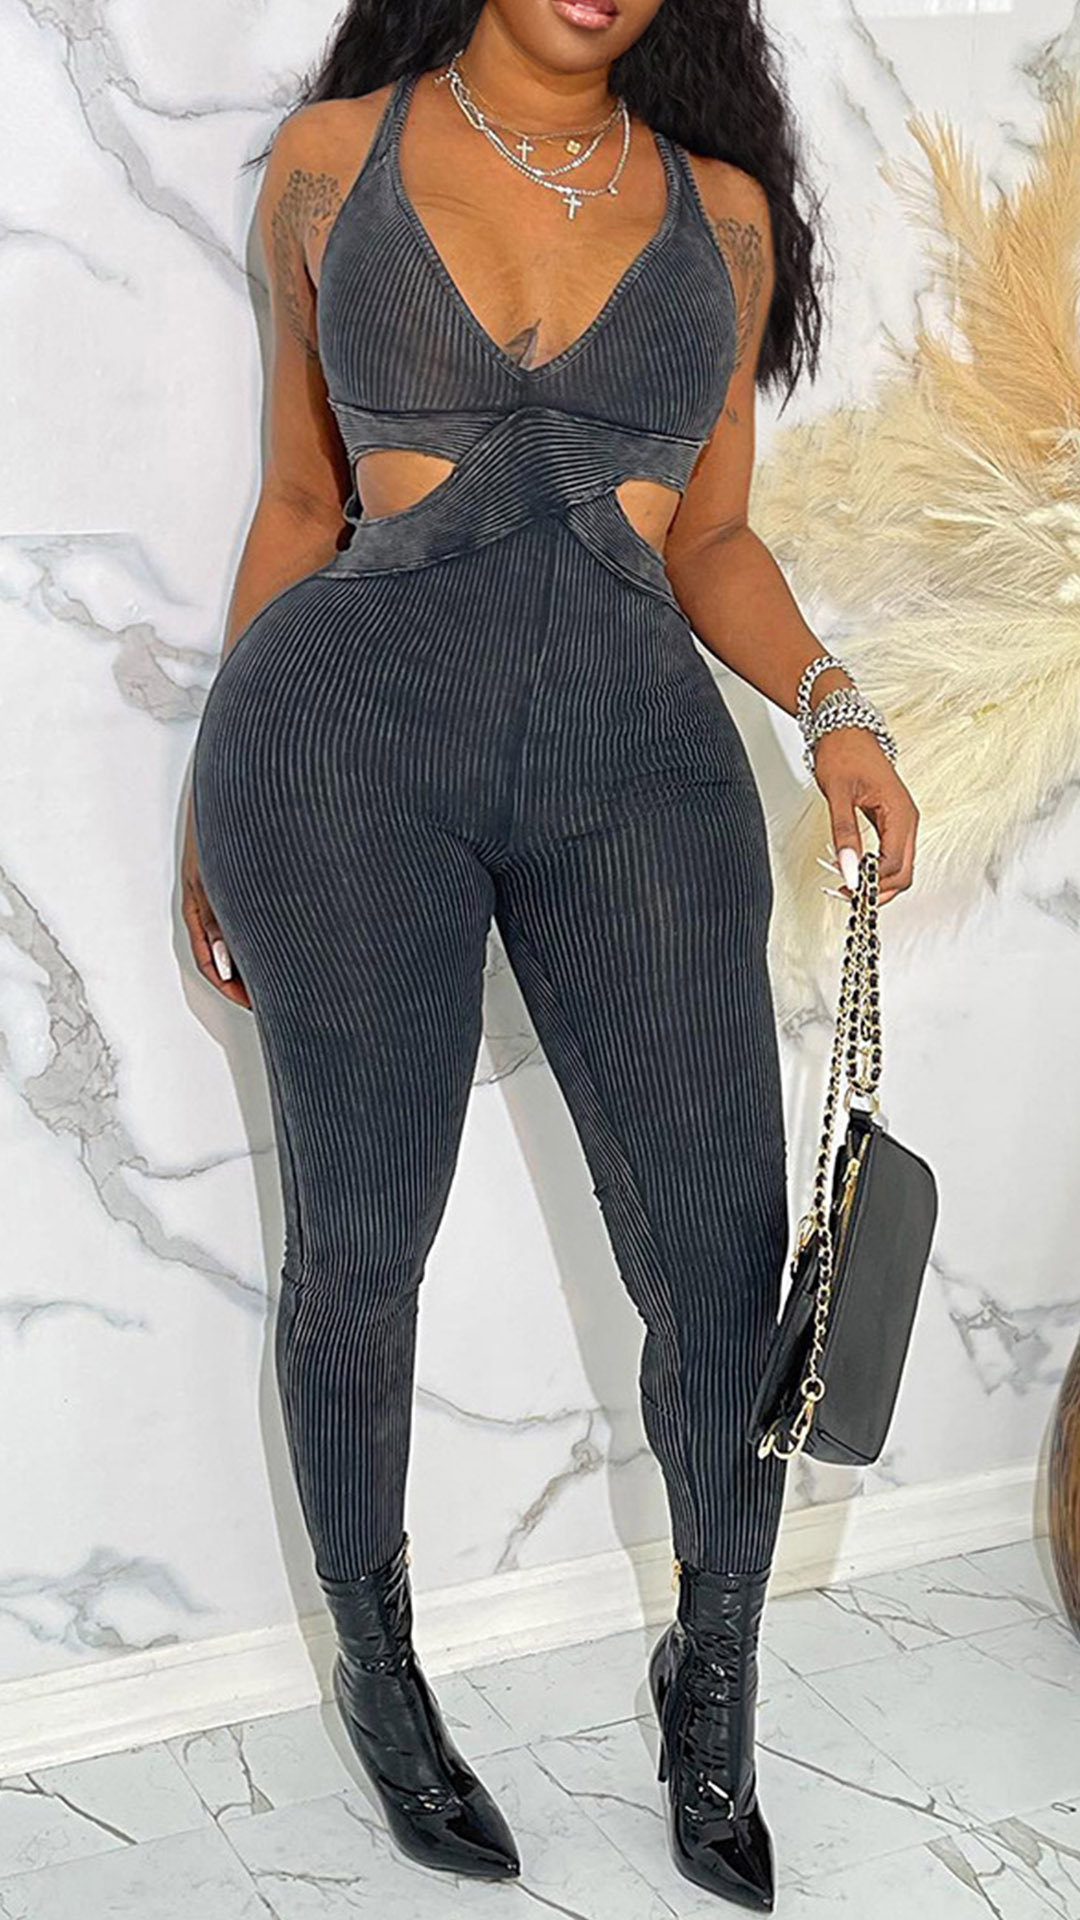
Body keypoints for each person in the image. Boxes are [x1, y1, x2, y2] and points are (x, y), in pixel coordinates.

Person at [182, 1, 918, 1908]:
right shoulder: (331, 164)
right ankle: (381, 1673)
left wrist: (838, 713)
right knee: (360, 1248)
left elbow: (714, 538)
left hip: (634, 765)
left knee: (721, 1261)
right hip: (338, 755)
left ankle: (715, 1674)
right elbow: (300, 498)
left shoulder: (724, 215)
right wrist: (207, 808)